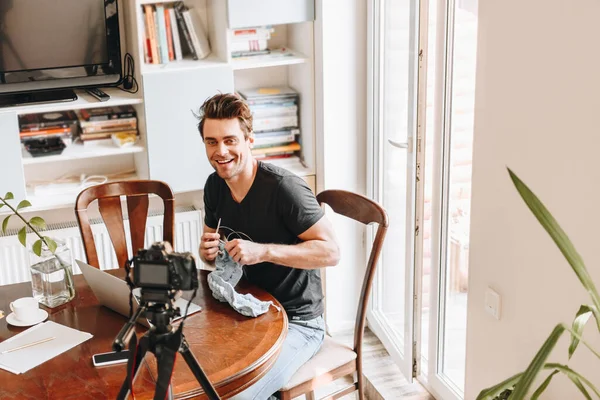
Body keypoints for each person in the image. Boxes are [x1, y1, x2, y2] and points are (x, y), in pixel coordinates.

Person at [197, 93, 340, 400]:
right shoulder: (214, 185)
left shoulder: (284, 189)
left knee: (232, 396)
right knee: (193, 373)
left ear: (250, 140)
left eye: (230, 140)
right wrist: (206, 252)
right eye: (211, 142)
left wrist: (262, 251)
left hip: (299, 322)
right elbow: (208, 252)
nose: (220, 151)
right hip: (248, 311)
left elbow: (331, 252)